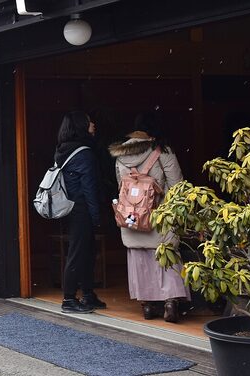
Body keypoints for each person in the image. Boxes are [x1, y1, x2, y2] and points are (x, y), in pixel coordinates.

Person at [109, 112, 190, 322]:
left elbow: (121, 186)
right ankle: (170, 301)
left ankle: (146, 304)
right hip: (159, 215)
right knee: (166, 257)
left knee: (140, 259)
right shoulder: (163, 151)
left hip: (132, 215)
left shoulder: (121, 155)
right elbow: (177, 186)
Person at [55, 110, 105, 314]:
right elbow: (89, 187)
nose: (93, 124)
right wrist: (96, 216)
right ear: (81, 126)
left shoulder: (63, 149)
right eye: (89, 121)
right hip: (81, 208)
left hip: (68, 206)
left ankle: (88, 293)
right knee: (78, 253)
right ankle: (69, 298)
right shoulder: (84, 153)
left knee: (85, 250)